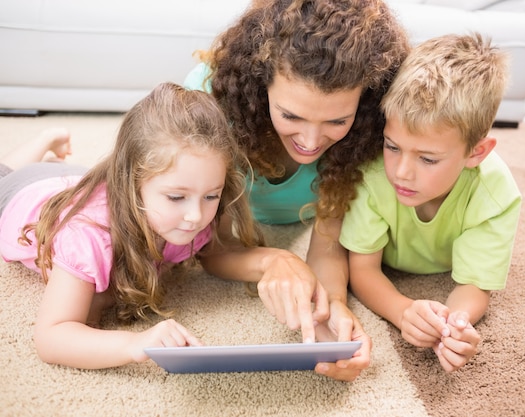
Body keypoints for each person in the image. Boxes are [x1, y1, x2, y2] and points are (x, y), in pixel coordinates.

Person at [185, 0, 409, 381]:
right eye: (290, 115)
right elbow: (211, 247)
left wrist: (333, 307)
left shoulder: (368, 128)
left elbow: (328, 244)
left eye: (337, 120)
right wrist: (275, 261)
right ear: (260, 84)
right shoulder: (210, 105)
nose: (309, 141)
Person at [0, 82, 263, 369]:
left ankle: (50, 150)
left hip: (75, 180)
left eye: (211, 195)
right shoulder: (87, 236)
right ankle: (45, 139)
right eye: (176, 197)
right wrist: (134, 343)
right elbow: (52, 337)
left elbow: (220, 248)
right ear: (131, 185)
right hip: (19, 194)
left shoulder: (193, 208)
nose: (196, 216)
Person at [339, 33, 522, 372]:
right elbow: (362, 269)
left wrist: (455, 326)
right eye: (392, 146)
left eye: (428, 159)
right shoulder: (372, 173)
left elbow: (474, 285)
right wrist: (402, 310)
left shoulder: (496, 194)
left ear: (476, 153)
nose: (401, 172)